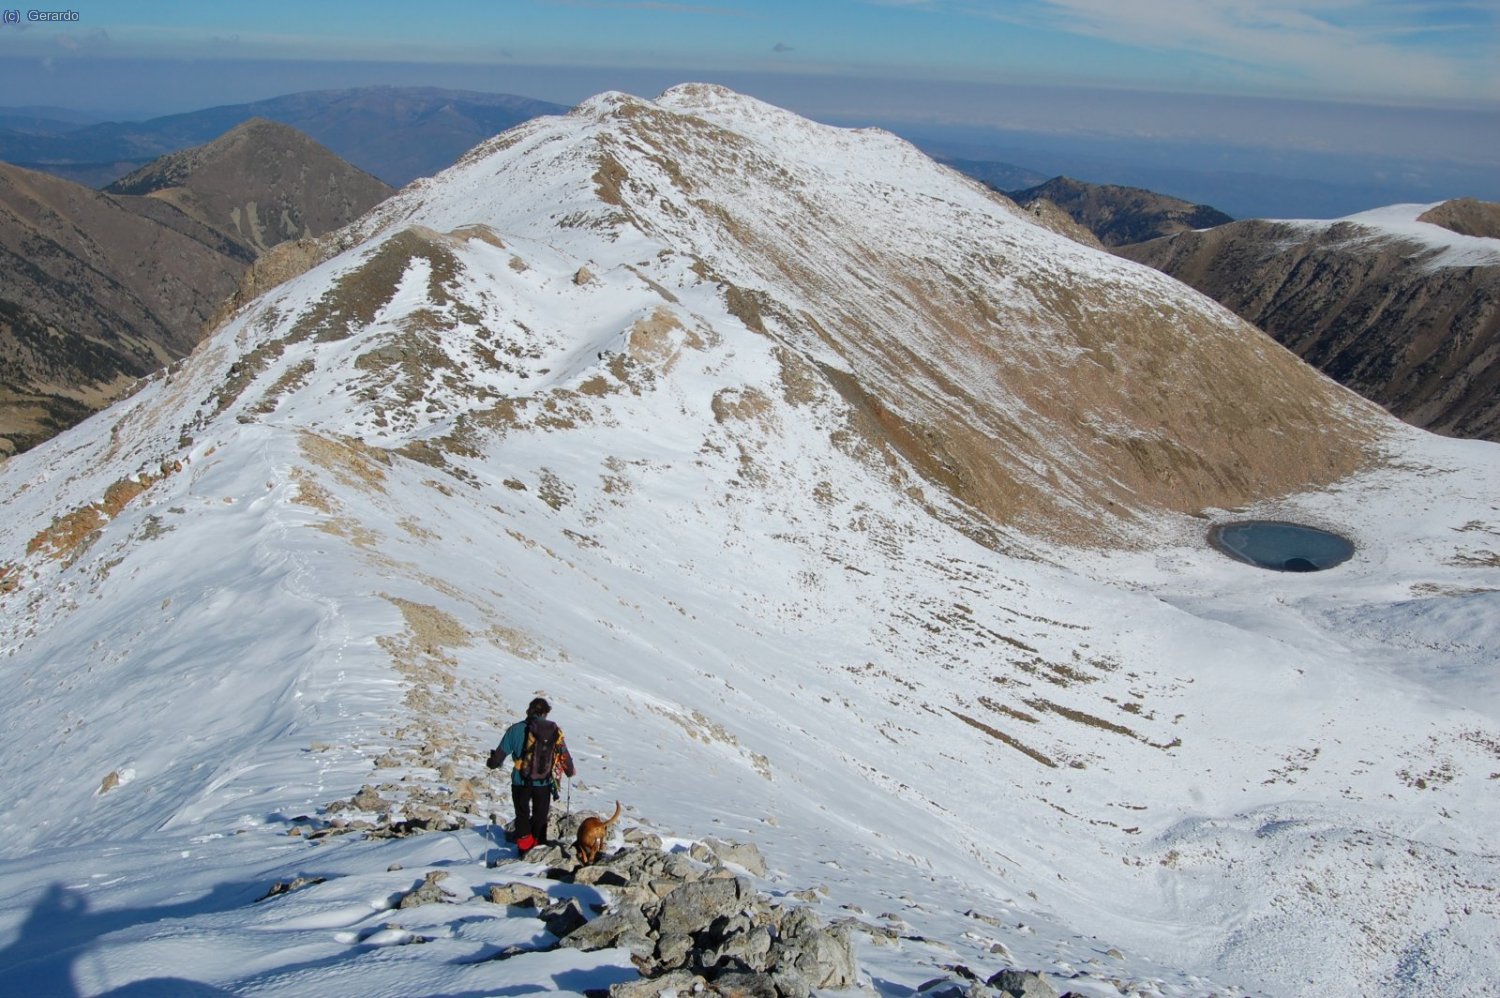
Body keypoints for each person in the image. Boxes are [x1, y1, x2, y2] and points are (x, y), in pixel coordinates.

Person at [488, 696, 575, 855]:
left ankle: (525, 847)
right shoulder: (554, 731)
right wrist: (569, 770)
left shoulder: (515, 730)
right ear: (546, 713)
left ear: (529, 710)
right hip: (543, 781)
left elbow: (500, 755)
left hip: (520, 780)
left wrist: (492, 763)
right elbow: (563, 754)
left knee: (522, 814)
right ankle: (539, 845)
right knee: (540, 815)